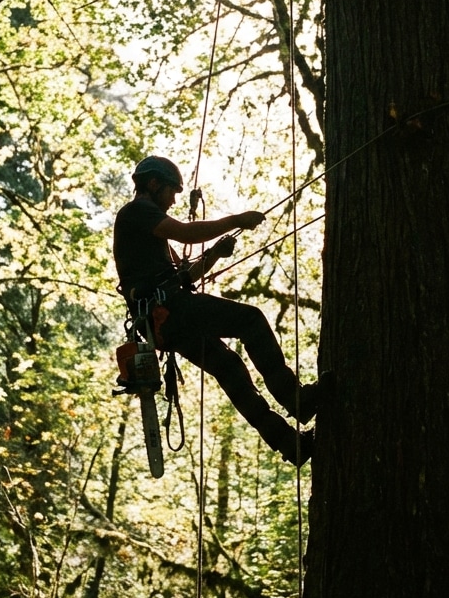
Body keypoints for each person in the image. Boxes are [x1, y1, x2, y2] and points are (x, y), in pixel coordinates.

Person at [113, 155, 316, 465]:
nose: (173, 200)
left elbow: (185, 277)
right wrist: (236, 220)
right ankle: (296, 398)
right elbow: (186, 233)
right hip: (168, 310)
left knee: (229, 368)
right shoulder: (137, 211)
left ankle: (289, 443)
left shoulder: (147, 229)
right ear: (153, 184)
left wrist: (216, 254)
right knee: (250, 320)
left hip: (163, 321)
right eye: (171, 191)